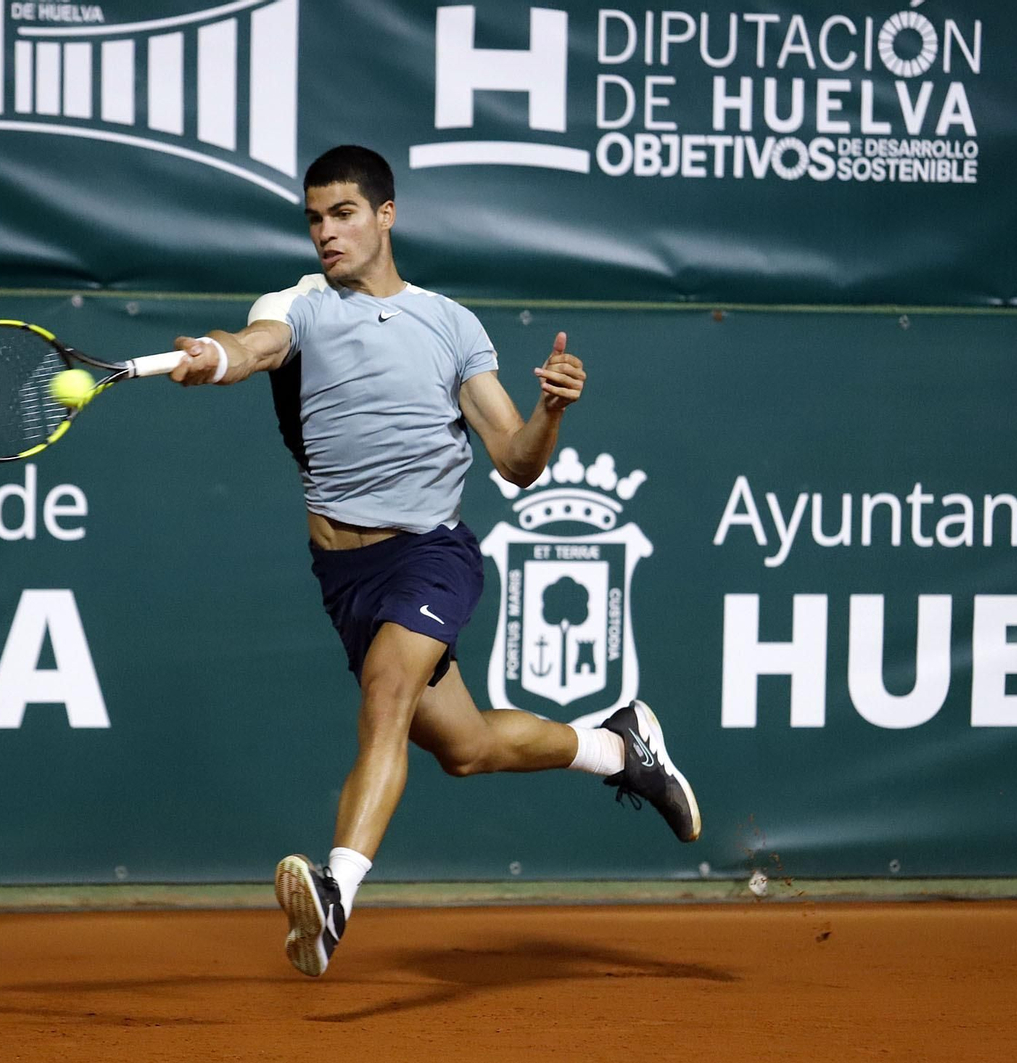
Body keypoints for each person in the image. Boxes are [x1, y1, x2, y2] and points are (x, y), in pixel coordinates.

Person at [168, 145, 700, 978]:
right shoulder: (301, 304)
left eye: (343, 214)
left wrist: (549, 412)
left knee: (387, 695)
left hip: (430, 556)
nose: (325, 234)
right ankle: (616, 745)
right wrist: (214, 355)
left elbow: (516, 460)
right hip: (344, 577)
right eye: (313, 218)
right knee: (466, 745)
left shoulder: (452, 325)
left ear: (385, 215)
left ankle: (336, 895)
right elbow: (256, 345)